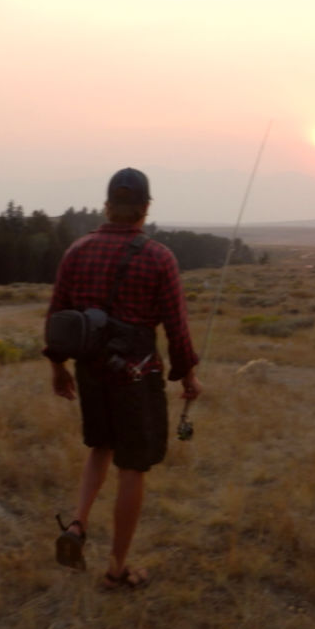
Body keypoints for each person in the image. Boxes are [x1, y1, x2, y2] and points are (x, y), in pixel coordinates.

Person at [44, 167, 201, 589]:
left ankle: (77, 525)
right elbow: (176, 328)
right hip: (137, 379)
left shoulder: (76, 251)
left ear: (108, 205)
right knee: (132, 467)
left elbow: (57, 317)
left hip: (91, 374)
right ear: (144, 209)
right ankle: (116, 570)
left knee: (100, 446)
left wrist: (58, 367)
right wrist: (187, 376)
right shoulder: (159, 257)